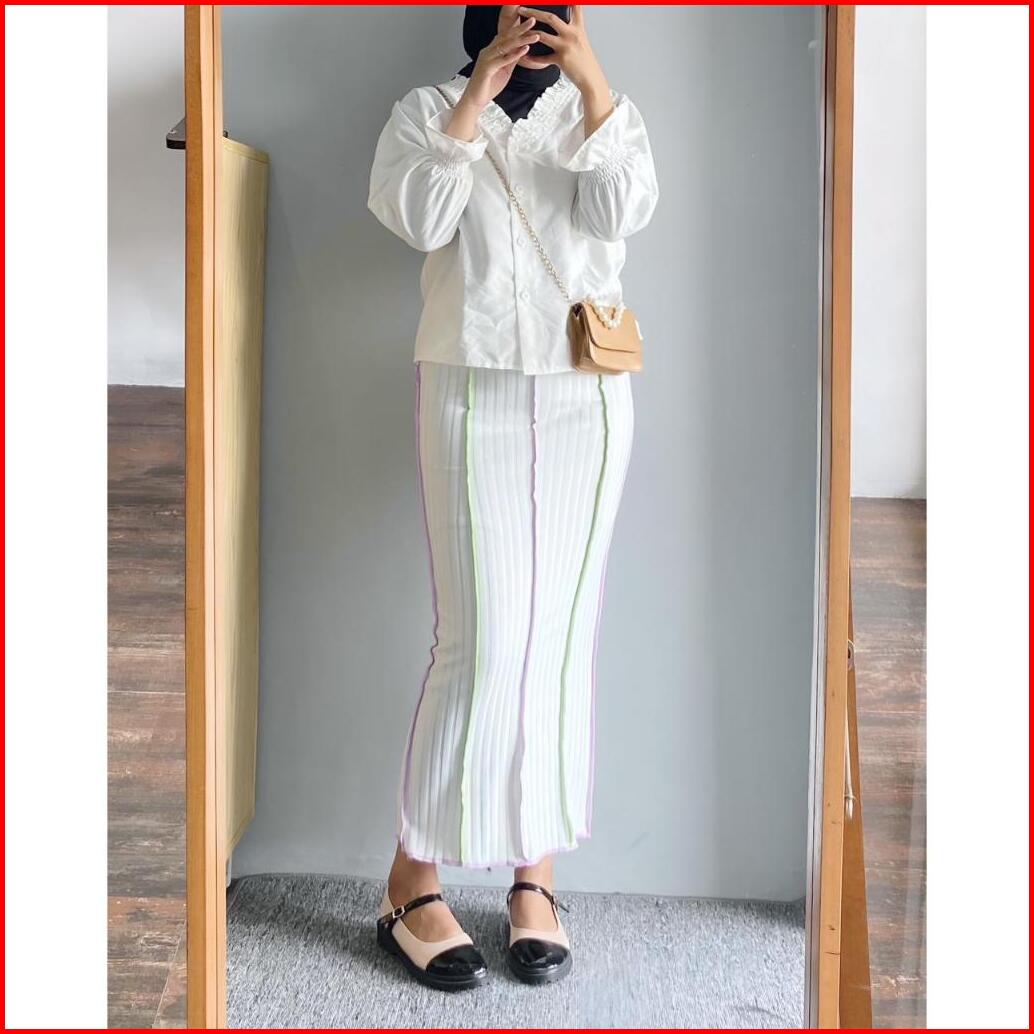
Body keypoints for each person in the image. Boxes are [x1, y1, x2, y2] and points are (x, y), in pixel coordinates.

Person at [367, 3, 658, 990]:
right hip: (471, 387)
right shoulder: (426, 109)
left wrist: (593, 83)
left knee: (562, 635)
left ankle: (537, 875)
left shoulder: (602, 112)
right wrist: (476, 98)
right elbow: (418, 219)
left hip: (589, 397)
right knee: (481, 639)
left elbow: (624, 213)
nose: (534, 18)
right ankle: (410, 876)